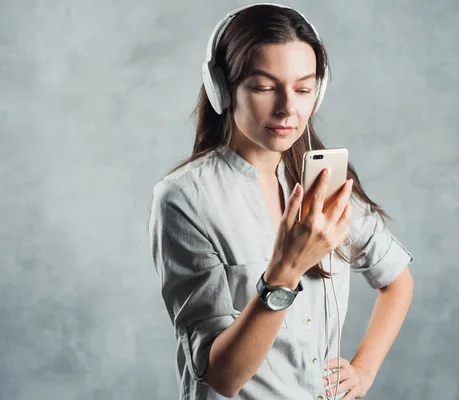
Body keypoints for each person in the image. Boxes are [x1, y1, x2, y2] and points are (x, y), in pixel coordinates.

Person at [148, 4, 415, 400]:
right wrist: (285, 270)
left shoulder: (324, 183)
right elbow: (222, 377)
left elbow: (397, 280)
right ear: (223, 89)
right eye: (264, 87)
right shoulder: (186, 199)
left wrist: (363, 370)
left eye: (304, 89)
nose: (288, 108)